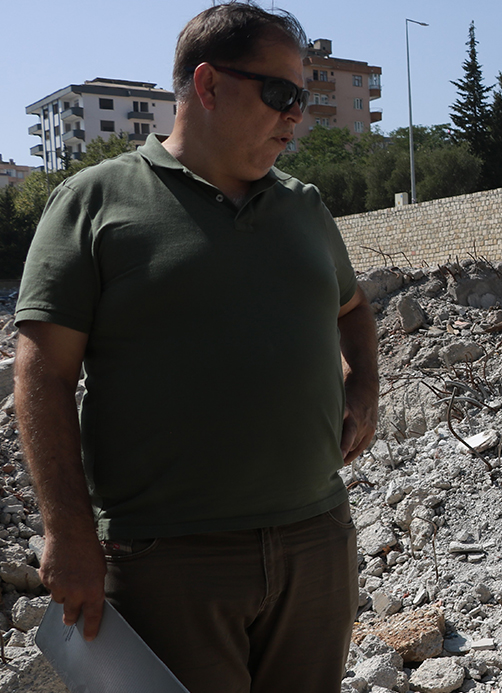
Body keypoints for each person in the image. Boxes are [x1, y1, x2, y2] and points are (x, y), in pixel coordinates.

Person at [13, 4, 377, 692]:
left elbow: (353, 309)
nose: (296, 115)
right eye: (281, 93)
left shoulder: (304, 206)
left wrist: (364, 390)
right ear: (208, 85)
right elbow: (41, 376)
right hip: (168, 560)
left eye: (302, 97)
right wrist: (67, 531)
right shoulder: (95, 202)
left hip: (315, 541)